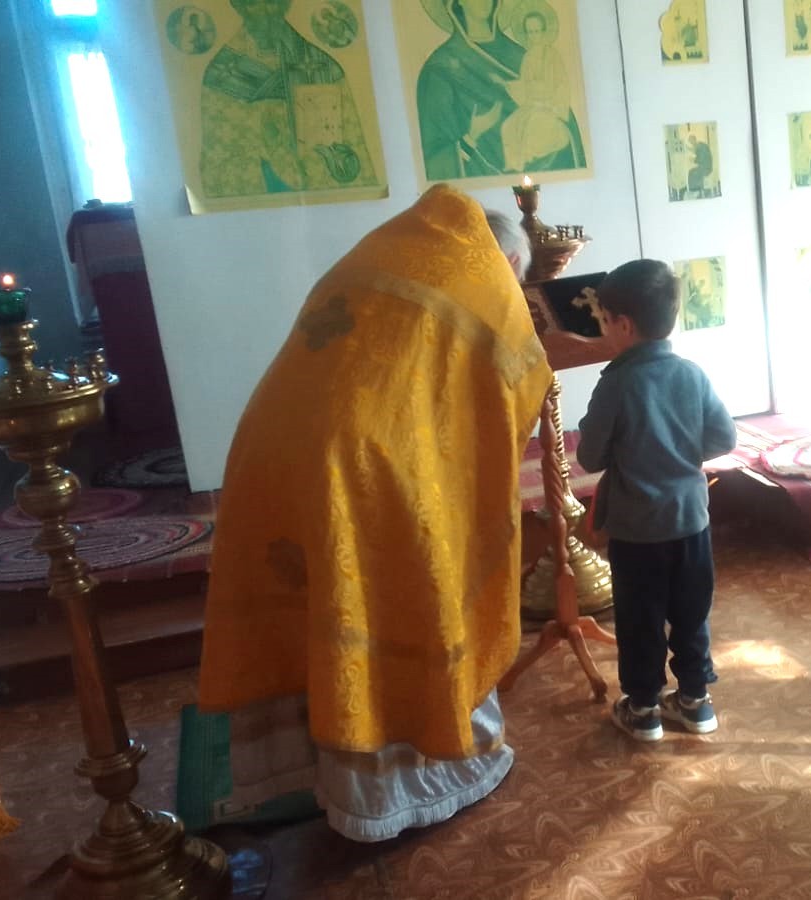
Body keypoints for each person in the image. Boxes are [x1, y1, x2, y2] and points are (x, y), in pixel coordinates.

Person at [196, 184, 552, 841]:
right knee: (396, 598)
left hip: (272, 443)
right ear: (507, 262)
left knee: (320, 601)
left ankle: (322, 772)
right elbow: (520, 381)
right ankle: (396, 791)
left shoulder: (391, 249)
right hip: (365, 460)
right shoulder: (481, 278)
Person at [575, 260, 738, 742]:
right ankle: (695, 702)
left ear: (624, 325)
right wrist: (681, 455)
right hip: (691, 522)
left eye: (604, 321)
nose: (604, 330)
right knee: (691, 612)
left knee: (640, 618)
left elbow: (590, 456)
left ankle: (644, 708)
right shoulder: (691, 374)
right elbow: (724, 438)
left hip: (636, 531)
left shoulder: (616, 383)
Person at [199, 0, 378, 197]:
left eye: (271, 2)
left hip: (318, 190)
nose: (265, 12)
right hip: (262, 188)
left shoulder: (324, 66)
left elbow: (350, 143)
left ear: (285, 4)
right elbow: (220, 153)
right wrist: (265, 135)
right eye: (253, 3)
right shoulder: (221, 74)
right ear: (239, 7)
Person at [417, 0, 586, 179]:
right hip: (478, 189)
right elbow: (434, 157)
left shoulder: (523, 56)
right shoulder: (439, 69)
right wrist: (472, 135)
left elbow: (563, 112)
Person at [499, 6, 575, 171]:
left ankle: (526, 159)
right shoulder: (527, 57)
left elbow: (561, 84)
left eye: (537, 31)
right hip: (531, 105)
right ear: (526, 34)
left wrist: (553, 106)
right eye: (530, 32)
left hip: (550, 106)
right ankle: (514, 164)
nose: (534, 36)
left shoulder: (553, 55)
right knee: (508, 125)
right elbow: (525, 85)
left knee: (534, 126)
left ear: (544, 32)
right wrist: (508, 84)